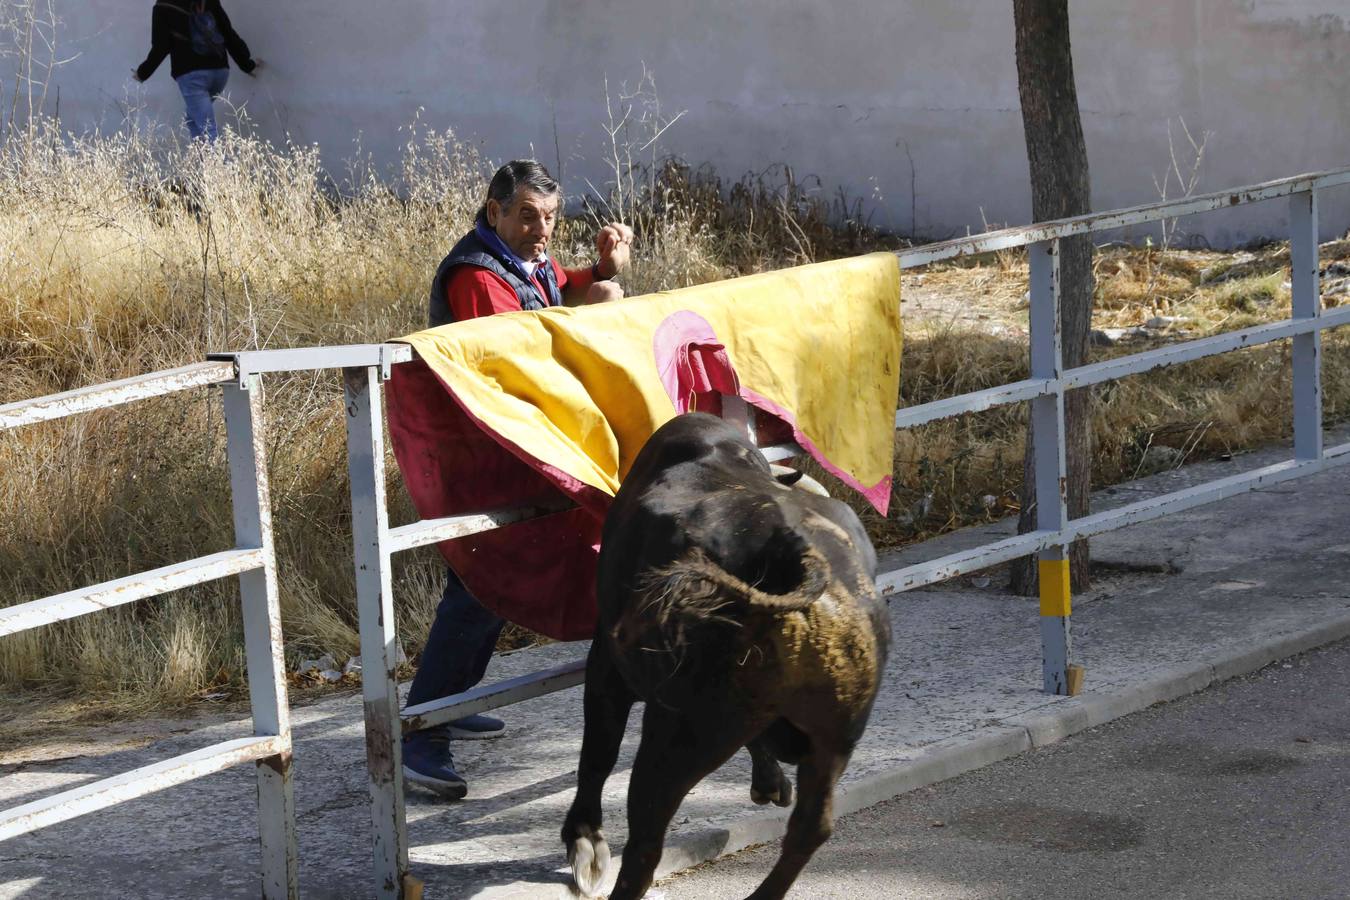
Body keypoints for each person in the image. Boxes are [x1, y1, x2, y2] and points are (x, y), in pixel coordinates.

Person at [403, 159, 633, 799]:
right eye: (527, 215)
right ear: (495, 209)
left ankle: (449, 700)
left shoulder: (516, 260)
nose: (540, 229)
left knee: (485, 585)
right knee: (484, 584)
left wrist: (602, 276)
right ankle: (422, 736)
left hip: (509, 449)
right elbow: (518, 351)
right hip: (480, 456)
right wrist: (590, 312)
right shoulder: (477, 274)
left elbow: (557, 286)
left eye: (550, 218)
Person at [133, 0, 260, 142]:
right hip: (220, 71)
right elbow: (228, 34)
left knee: (208, 129)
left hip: (191, 75)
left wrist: (142, 73)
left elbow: (161, 47)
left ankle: (219, 164)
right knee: (192, 120)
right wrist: (247, 65)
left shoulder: (163, 5)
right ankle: (204, 162)